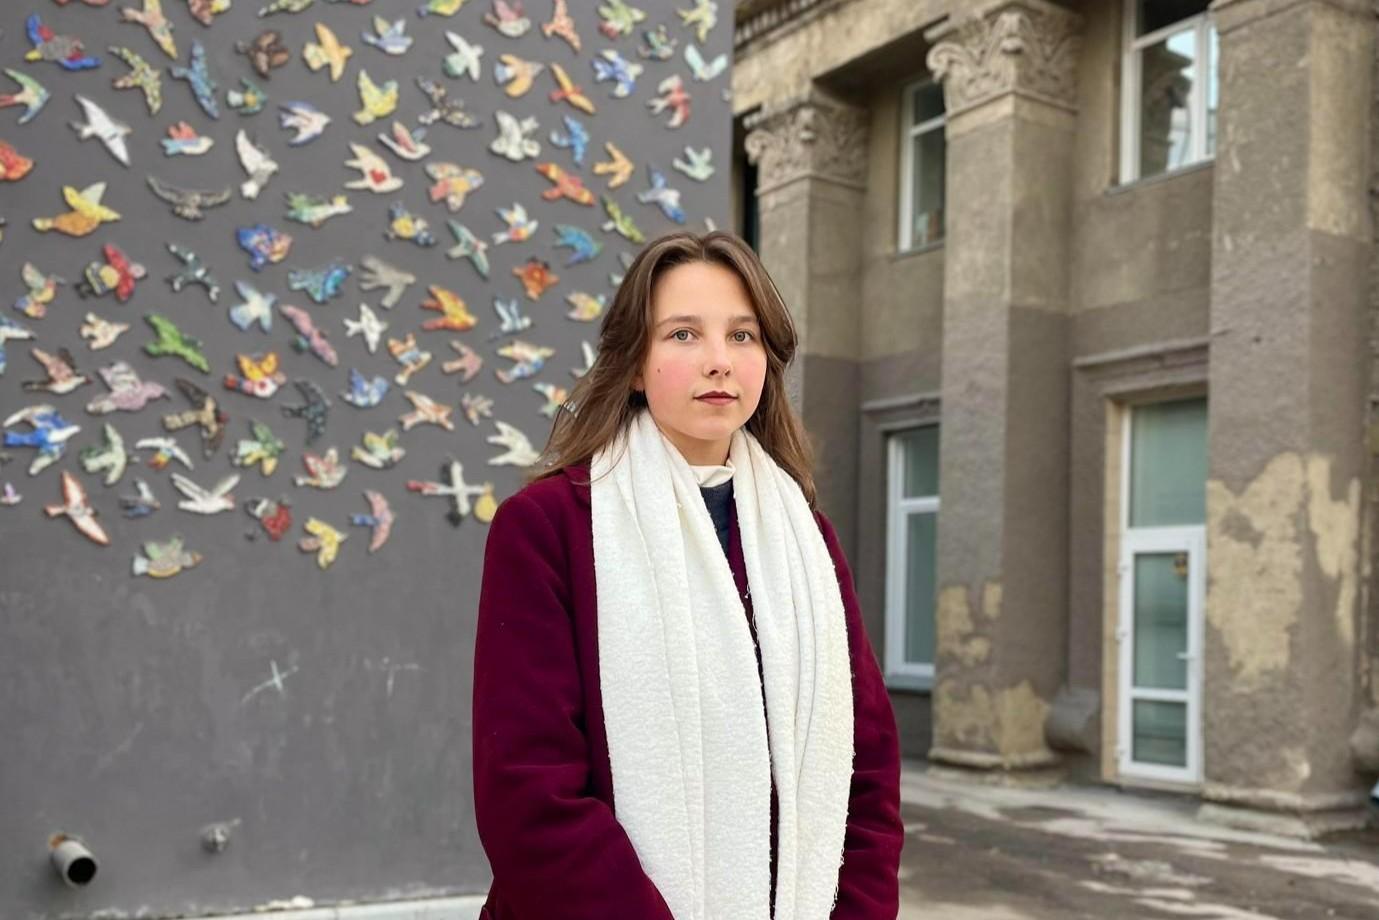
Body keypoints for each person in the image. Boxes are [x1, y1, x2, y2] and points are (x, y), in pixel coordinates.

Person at [472, 230, 903, 919]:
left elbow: (867, 766)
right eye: (682, 334)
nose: (719, 361)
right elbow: (529, 791)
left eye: (742, 335)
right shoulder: (548, 527)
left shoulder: (806, 539)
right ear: (634, 366)